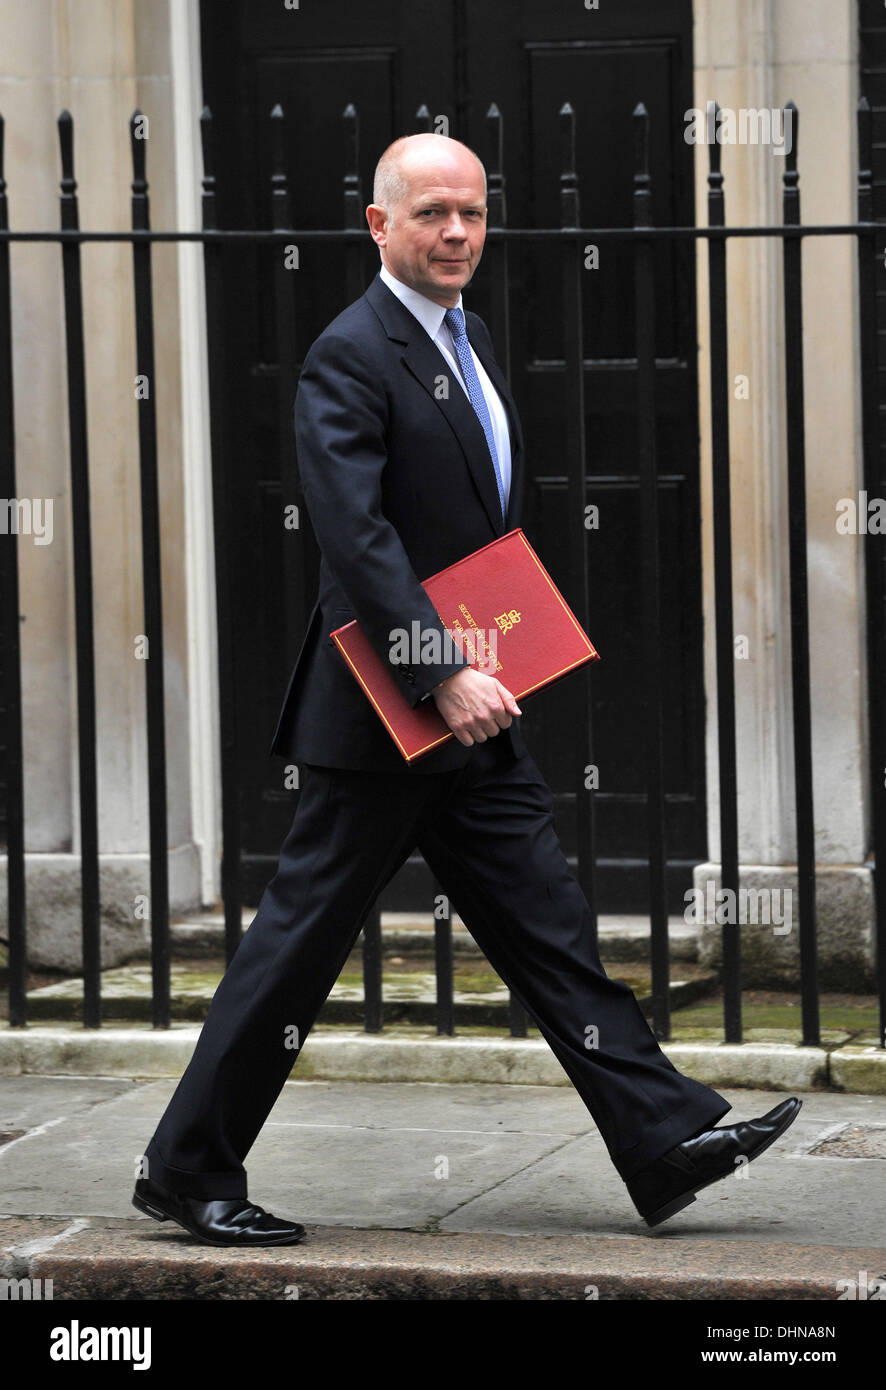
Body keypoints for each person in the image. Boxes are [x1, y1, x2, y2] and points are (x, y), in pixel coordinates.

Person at [133, 132, 800, 1246]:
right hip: (385, 717)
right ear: (377, 224)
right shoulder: (348, 352)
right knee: (293, 948)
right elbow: (357, 538)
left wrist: (486, 659)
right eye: (433, 212)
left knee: (549, 923)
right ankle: (186, 1168)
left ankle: (659, 1133)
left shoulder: (468, 335)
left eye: (474, 214)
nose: (456, 234)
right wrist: (438, 672)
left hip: (475, 707)